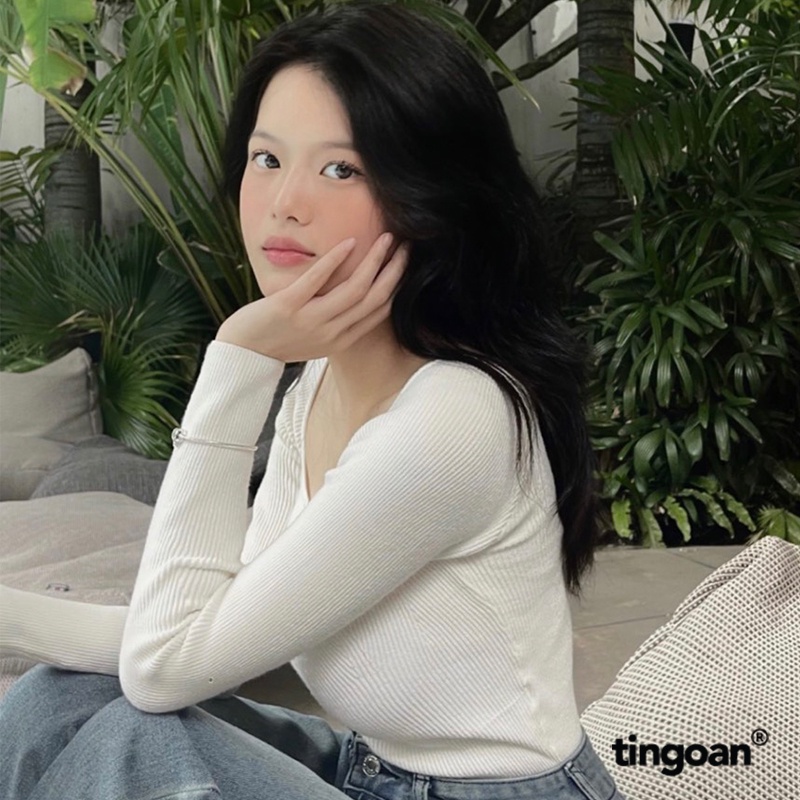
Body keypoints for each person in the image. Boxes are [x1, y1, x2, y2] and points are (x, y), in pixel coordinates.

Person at [0, 4, 625, 798]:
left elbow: (163, 671)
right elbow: (184, 632)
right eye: (266, 159)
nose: (285, 202)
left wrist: (238, 358)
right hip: (371, 771)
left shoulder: (454, 418)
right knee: (59, 699)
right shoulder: (318, 386)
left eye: (341, 170)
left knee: (134, 741)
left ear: (431, 198)